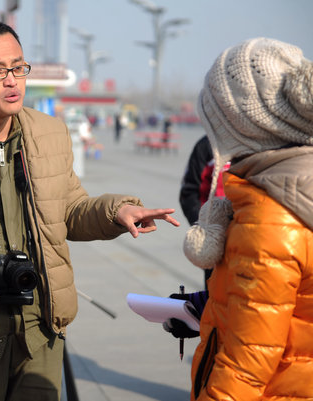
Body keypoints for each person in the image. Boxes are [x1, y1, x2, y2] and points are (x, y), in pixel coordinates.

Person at [0, 20, 180, 401]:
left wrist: (117, 211)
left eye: (18, 67)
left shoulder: (48, 134)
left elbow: (71, 210)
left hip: (38, 330)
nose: (11, 80)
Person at [179, 38, 313, 400]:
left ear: (240, 126)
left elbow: (246, 366)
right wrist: (210, 306)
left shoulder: (271, 217)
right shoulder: (298, 187)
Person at [179, 135, 230, 287]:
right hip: (216, 243)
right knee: (214, 298)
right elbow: (189, 193)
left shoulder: (262, 144)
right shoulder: (206, 146)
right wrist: (206, 229)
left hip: (250, 242)